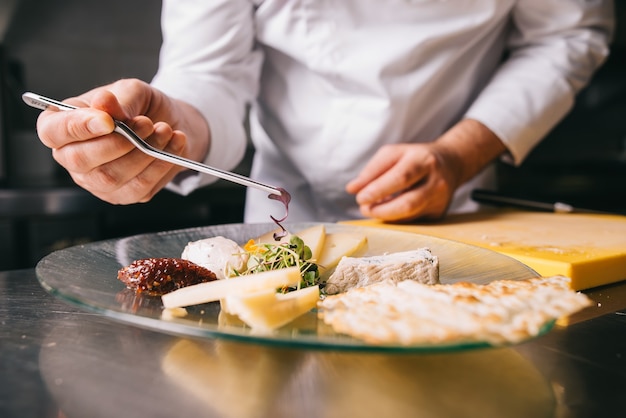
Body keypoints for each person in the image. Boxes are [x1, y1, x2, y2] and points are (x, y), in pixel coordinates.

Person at [34, 1, 614, 223]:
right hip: (288, 212)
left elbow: (567, 35)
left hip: (461, 209)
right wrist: (168, 133)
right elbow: (209, 70)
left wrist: (460, 153)